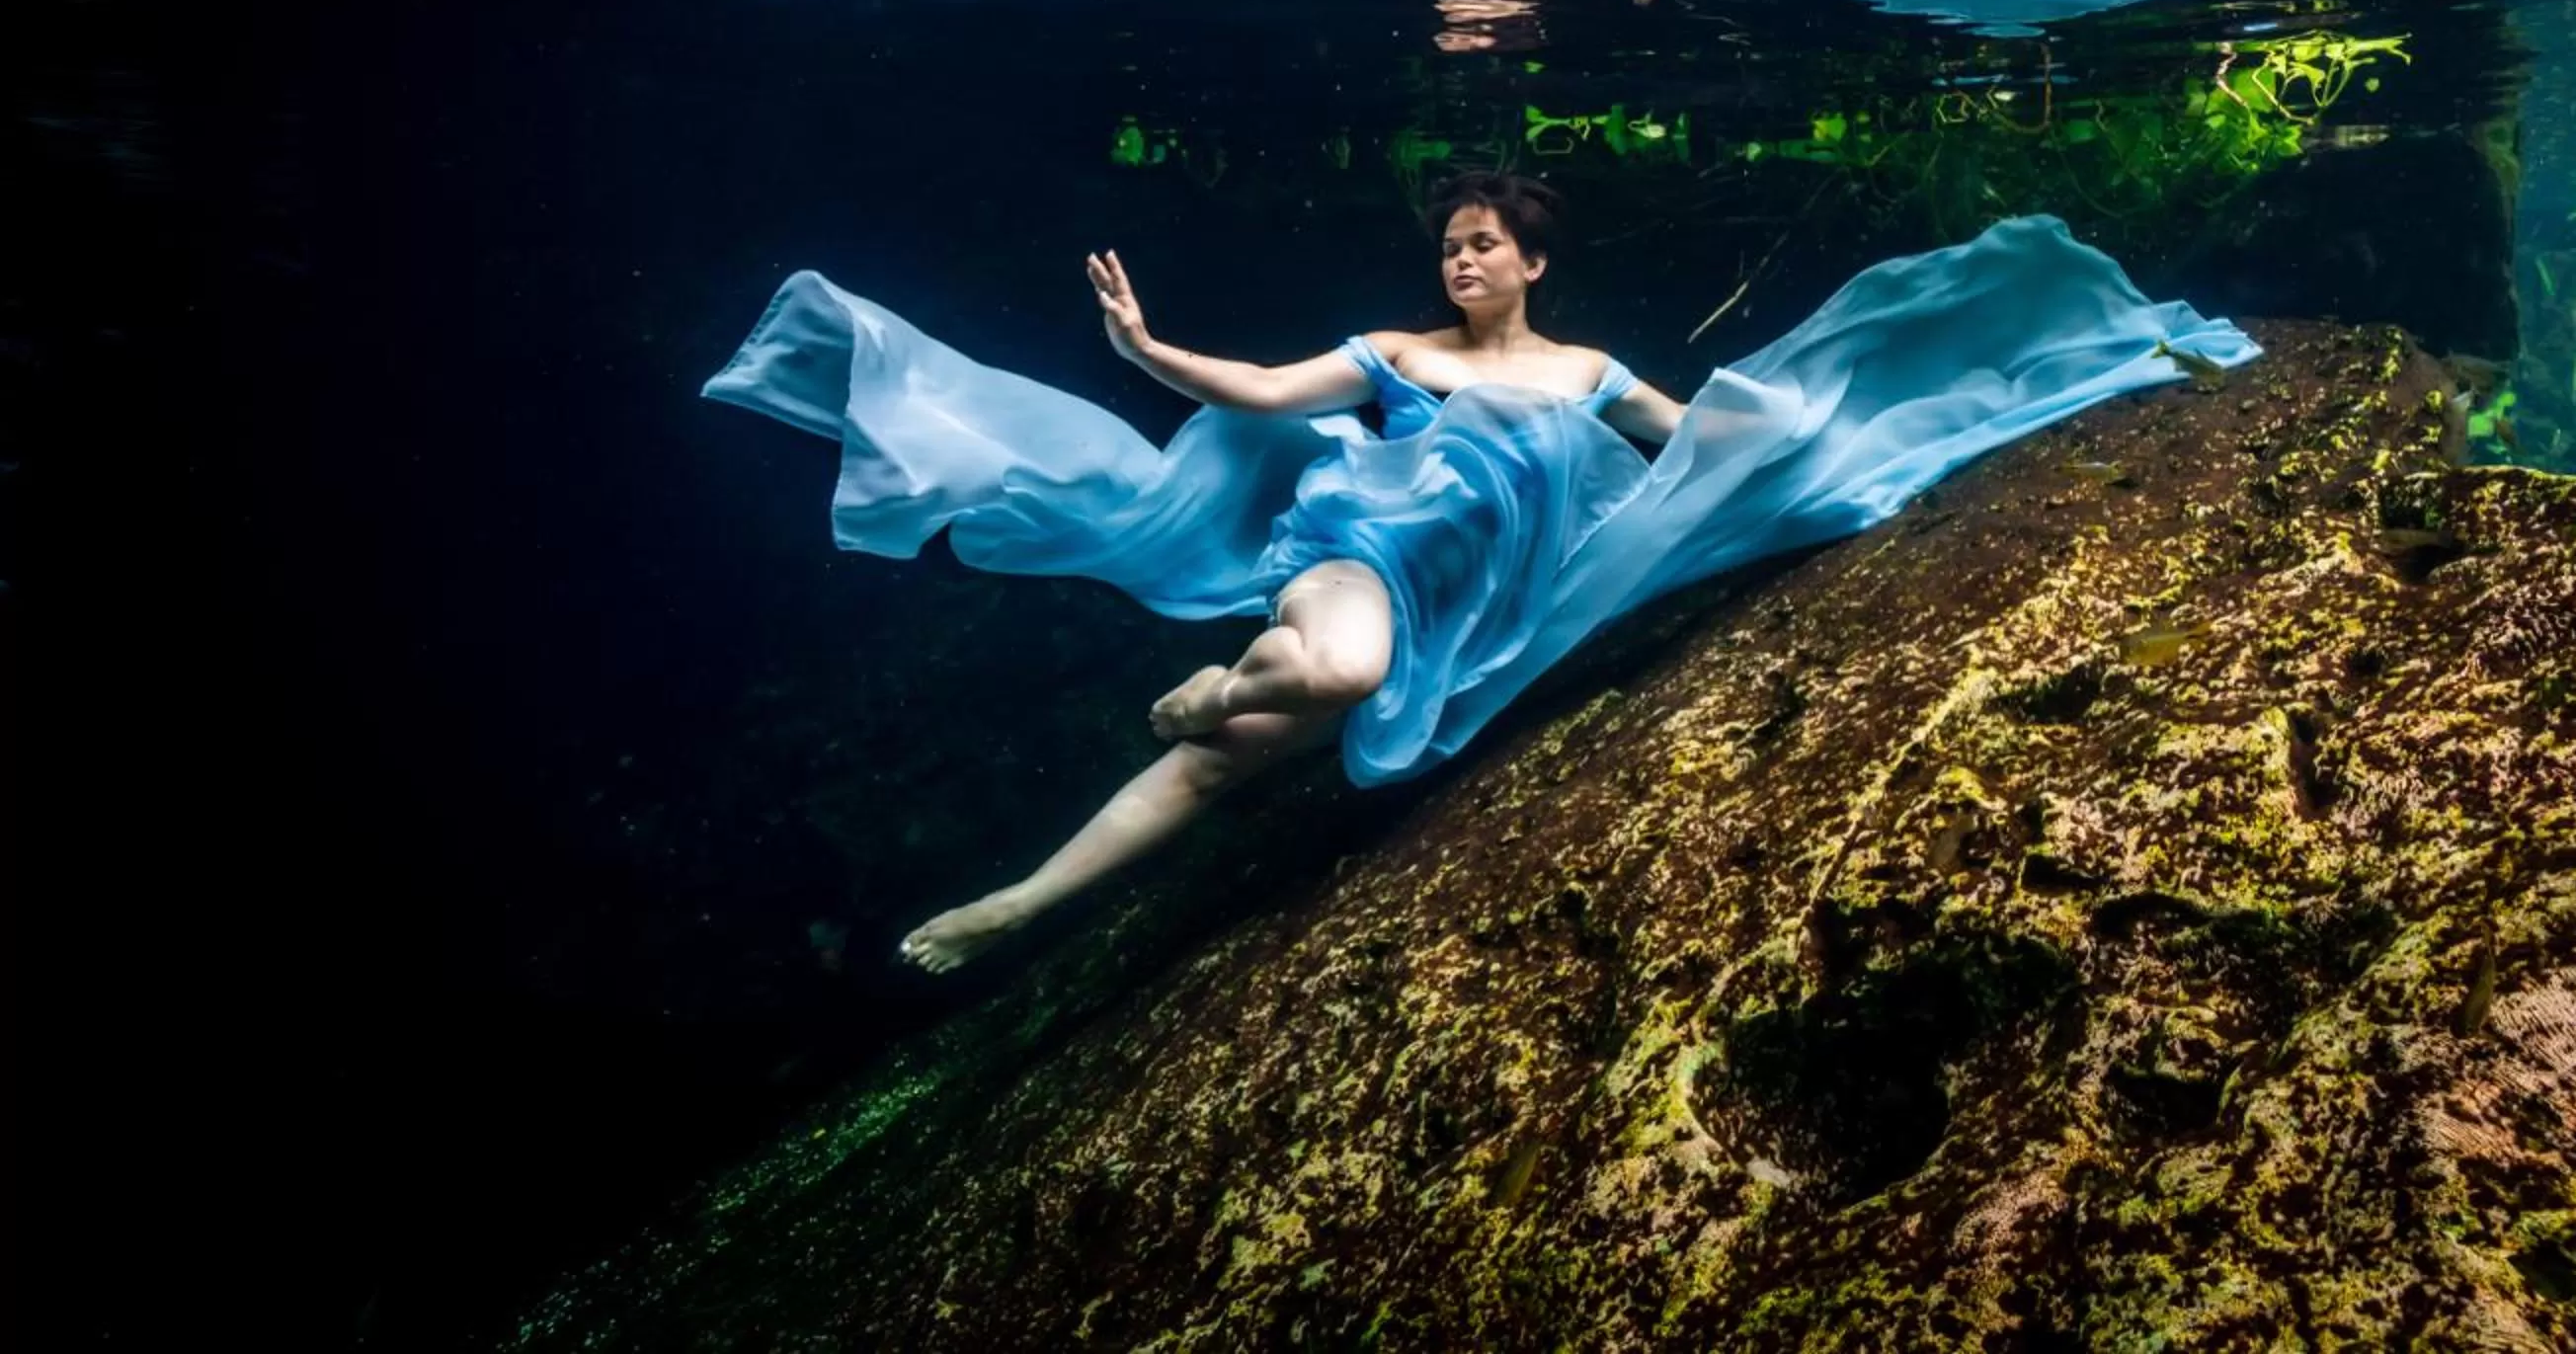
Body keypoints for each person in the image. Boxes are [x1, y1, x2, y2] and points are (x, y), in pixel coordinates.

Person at [701, 179, 2261, 972]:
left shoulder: (1587, 370)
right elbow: (1252, 388)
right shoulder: (1387, 354)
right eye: (1445, 243)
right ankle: (1198, 687)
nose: (1456, 261)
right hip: (1350, 564)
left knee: (1243, 769)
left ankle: (1014, 904)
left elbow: (1699, 443)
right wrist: (1141, 347)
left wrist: (1838, 445)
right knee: (1321, 679)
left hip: (1478, 619)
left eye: (1478, 243)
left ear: (1528, 257)